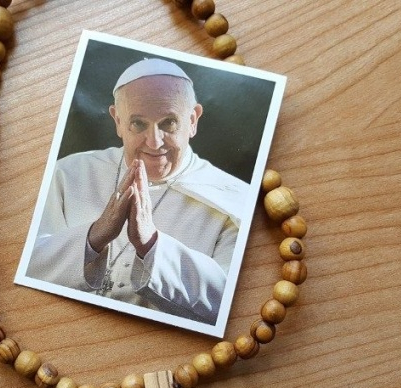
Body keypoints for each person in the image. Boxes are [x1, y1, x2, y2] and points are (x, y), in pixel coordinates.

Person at [27, 58, 248, 324]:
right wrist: (93, 238)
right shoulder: (67, 173)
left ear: (192, 120)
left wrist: (151, 244)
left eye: (169, 123)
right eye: (138, 124)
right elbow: (26, 266)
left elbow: (227, 306)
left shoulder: (236, 199)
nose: (154, 142)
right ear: (118, 121)